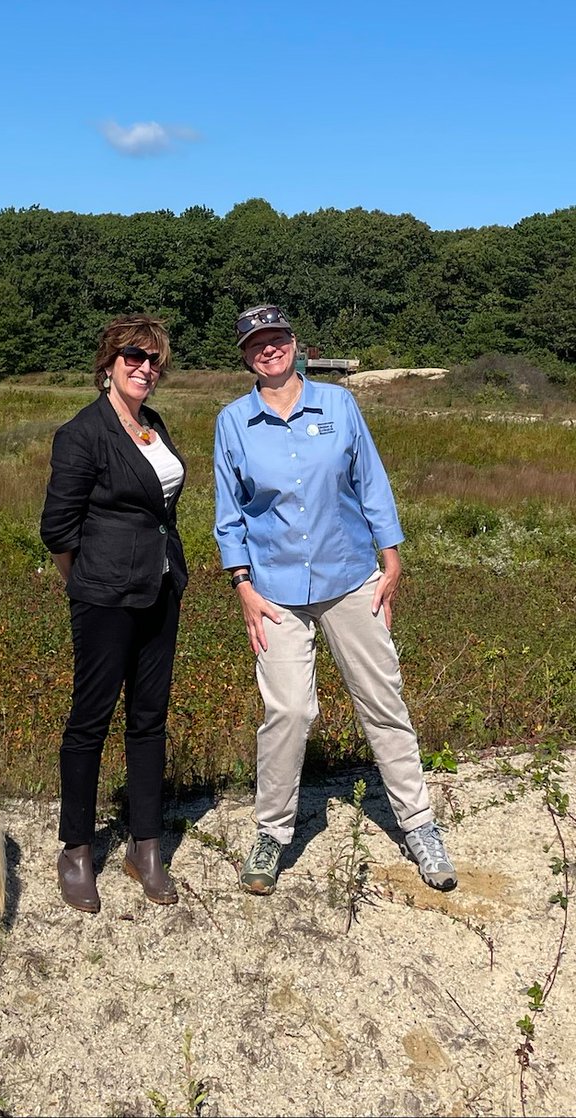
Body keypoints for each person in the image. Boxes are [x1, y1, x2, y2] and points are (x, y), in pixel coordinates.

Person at [213, 303, 458, 896]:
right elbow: (230, 512)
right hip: (274, 591)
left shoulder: (339, 405)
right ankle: (272, 832)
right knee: (289, 712)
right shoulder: (233, 422)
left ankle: (420, 825)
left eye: (277, 338)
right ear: (246, 356)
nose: (269, 349)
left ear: (295, 343)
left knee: (382, 700)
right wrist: (242, 585)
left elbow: (369, 480)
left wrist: (391, 555)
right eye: (257, 343)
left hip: (350, 577)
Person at [40, 314, 188, 913]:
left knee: (149, 718)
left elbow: (160, 509)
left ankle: (145, 846)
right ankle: (76, 849)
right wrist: (85, 584)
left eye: (154, 361)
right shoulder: (83, 433)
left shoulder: (153, 425)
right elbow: (57, 528)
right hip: (104, 597)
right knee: (90, 720)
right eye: (134, 356)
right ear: (108, 362)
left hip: (161, 588)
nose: (145, 368)